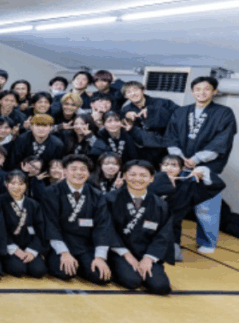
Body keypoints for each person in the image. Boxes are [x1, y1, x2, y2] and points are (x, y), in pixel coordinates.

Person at [164, 76, 238, 253]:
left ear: (214, 91)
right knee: (175, 205)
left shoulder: (224, 113)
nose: (201, 92)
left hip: (207, 167)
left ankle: (207, 242)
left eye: (206, 89)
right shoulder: (181, 112)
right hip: (180, 166)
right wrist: (180, 159)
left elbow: (222, 140)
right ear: (192, 91)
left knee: (206, 207)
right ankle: (171, 241)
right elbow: (171, 136)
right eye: (197, 89)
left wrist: (197, 159)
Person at [40, 155, 115, 285]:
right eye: (73, 169)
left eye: (83, 169)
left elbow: (102, 227)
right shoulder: (51, 192)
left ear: (89, 173)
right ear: (65, 171)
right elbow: (51, 224)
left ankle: (82, 265)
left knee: (102, 277)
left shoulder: (96, 195)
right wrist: (64, 253)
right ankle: (73, 264)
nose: (78, 173)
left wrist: (100, 257)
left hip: (85, 245)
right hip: (61, 244)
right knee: (65, 273)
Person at [105, 160, 173, 295]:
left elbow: (164, 235)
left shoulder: (160, 205)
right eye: (132, 174)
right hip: (118, 252)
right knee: (132, 281)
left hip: (146, 252)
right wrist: (127, 255)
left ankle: (144, 266)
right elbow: (107, 229)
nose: (137, 179)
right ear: (124, 176)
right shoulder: (110, 199)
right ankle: (116, 267)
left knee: (161, 287)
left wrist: (149, 258)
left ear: (151, 178)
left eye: (143, 175)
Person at [0, 170, 48, 278]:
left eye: (21, 184)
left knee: (39, 271)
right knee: (18, 269)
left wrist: (32, 251)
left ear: (26, 185)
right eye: (13, 183)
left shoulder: (33, 204)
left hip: (29, 245)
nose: (17, 187)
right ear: (6, 184)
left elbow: (40, 229)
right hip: (9, 247)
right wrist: (15, 250)